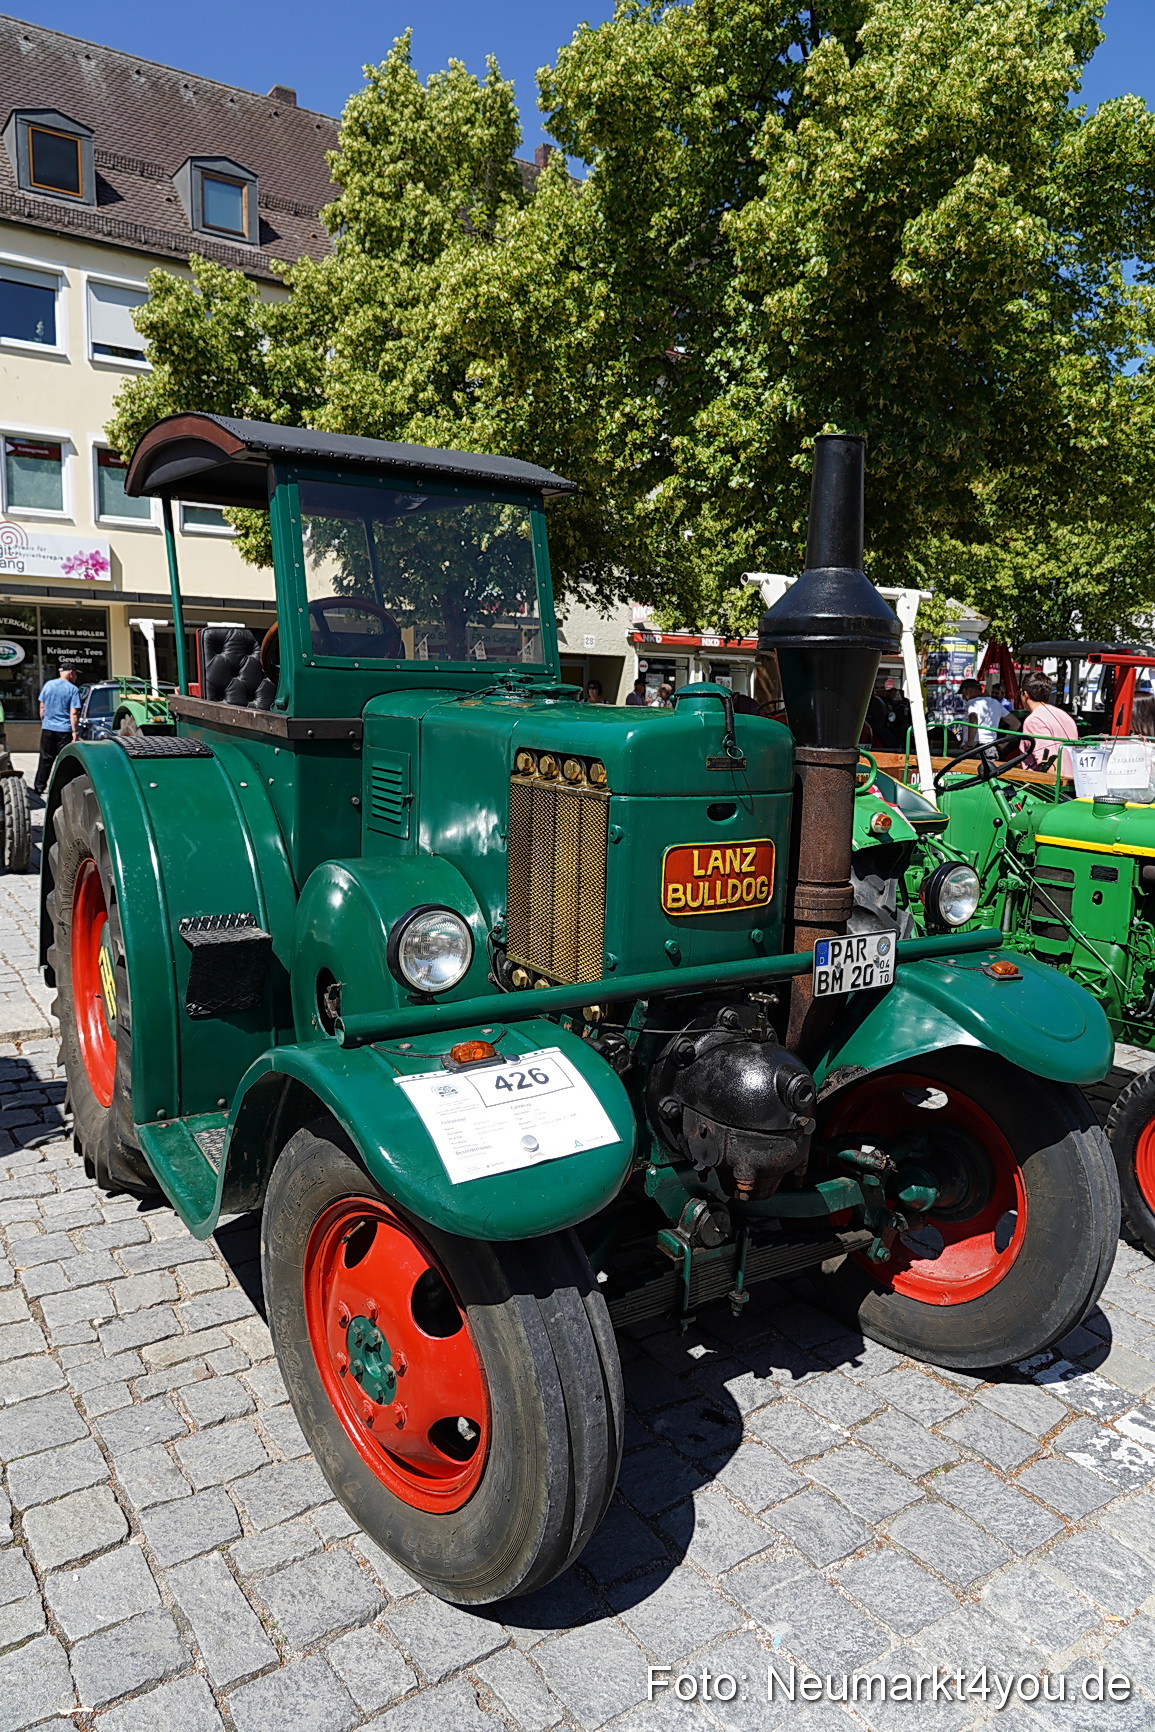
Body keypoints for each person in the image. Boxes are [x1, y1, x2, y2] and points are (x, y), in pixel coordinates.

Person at [35, 662, 81, 794]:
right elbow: (74, 713)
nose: (76, 677)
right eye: (76, 674)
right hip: (64, 730)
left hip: (48, 728)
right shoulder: (72, 689)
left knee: (45, 759)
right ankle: (62, 788)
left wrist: (44, 723)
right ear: (71, 673)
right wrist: (75, 732)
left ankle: (39, 786)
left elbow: (42, 707)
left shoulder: (48, 685)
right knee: (64, 761)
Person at [1020, 674, 1078, 777]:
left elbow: (1048, 764)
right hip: (1072, 782)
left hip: (1047, 788)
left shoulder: (1034, 720)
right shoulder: (1064, 715)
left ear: (1025, 694)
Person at [961, 679, 1008, 748]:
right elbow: (1015, 724)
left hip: (976, 748)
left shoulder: (972, 703)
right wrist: (1004, 744)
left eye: (963, 693)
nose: (963, 697)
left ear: (969, 690)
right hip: (991, 747)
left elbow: (973, 719)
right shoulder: (996, 703)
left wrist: (969, 744)